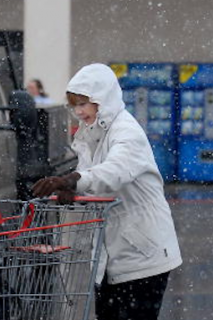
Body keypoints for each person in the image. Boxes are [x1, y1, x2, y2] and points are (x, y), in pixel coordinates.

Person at [31, 63, 182, 320]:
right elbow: (94, 181)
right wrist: (75, 195)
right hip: (114, 257)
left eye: (84, 104)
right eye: (74, 105)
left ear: (103, 99)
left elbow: (114, 172)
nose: (79, 112)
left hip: (143, 256)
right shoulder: (93, 135)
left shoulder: (127, 132)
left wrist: (73, 180)